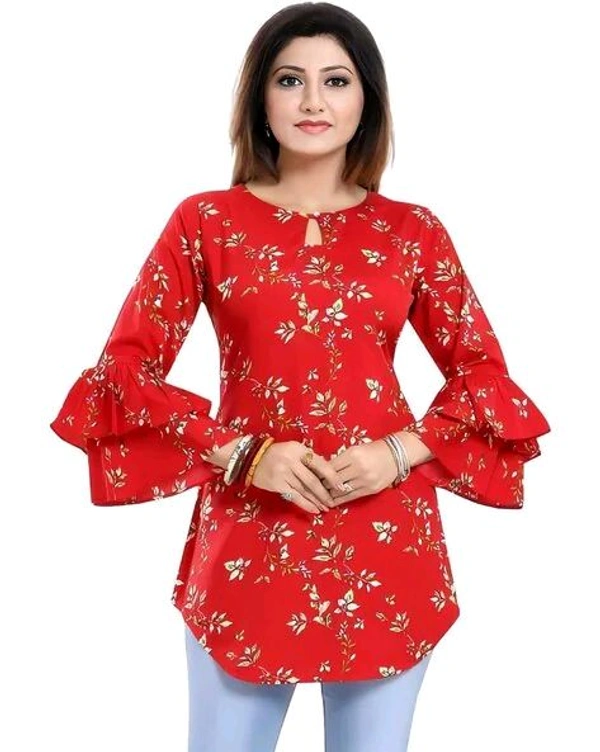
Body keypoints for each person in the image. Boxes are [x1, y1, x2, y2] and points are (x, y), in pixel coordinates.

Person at [49, 3, 551, 751]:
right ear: (260, 98)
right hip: (251, 532)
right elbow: (125, 372)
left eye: (336, 81)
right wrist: (243, 454)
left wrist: (397, 453)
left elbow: (483, 374)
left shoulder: (412, 231)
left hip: (385, 533)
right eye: (290, 80)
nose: (313, 100)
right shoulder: (205, 222)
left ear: (367, 101)